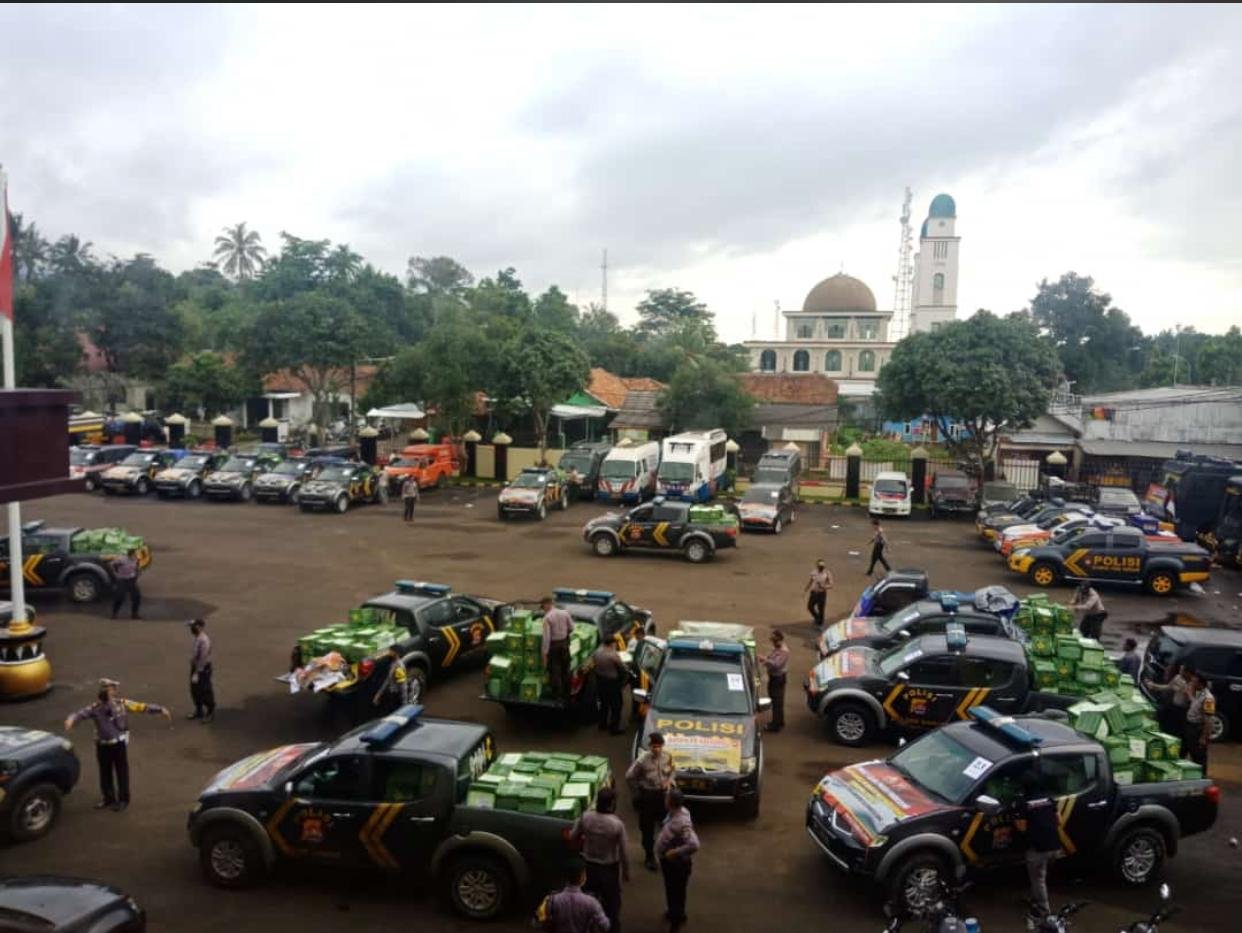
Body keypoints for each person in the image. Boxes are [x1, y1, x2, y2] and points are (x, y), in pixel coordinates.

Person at [64, 678, 171, 811]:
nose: (106, 692)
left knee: (121, 772)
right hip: (102, 744)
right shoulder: (95, 708)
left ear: (113, 691)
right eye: (105, 689)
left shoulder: (122, 704)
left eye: (109, 689)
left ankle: (123, 799)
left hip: (118, 744)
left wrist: (160, 709)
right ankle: (108, 798)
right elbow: (79, 714)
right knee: (104, 773)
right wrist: (71, 719)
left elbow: (141, 707)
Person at [571, 788, 629, 933]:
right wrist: (626, 872)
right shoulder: (617, 825)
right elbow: (624, 852)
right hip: (609, 869)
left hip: (589, 866)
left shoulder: (586, 818)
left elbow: (573, 836)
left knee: (585, 905)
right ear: (611, 804)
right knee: (612, 908)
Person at [1016, 769, 1061, 927]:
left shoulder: (1024, 803)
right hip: (1054, 846)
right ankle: (1036, 899)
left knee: (1038, 879)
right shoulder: (1049, 798)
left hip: (1037, 849)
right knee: (1041, 876)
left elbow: (1021, 828)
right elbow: (1058, 820)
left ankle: (1044, 911)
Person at [625, 732, 675, 871]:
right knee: (647, 829)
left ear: (663, 746)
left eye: (659, 746)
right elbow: (629, 777)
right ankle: (649, 856)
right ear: (649, 746)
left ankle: (665, 854)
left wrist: (668, 782)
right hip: (648, 796)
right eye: (654, 746)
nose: (656, 749)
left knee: (666, 826)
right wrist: (637, 794)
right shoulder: (642, 760)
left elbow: (672, 771)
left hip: (663, 796)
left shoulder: (668, 757)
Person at [655, 788, 699, 932]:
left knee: (676, 891)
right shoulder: (677, 813)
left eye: (667, 798)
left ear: (670, 803)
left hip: (677, 864)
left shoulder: (681, 821)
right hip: (670, 862)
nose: (664, 800)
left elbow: (694, 844)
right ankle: (675, 913)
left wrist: (676, 852)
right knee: (673, 890)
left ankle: (676, 921)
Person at [537, 857, 610, 933]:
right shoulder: (591, 902)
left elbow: (541, 920)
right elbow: (605, 925)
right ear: (583, 877)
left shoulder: (552, 900)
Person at [541, 596, 575, 704]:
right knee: (566, 668)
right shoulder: (565, 613)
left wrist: (544, 654)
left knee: (556, 671)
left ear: (547, 604)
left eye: (543, 607)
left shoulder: (547, 618)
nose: (543, 609)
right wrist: (565, 634)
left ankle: (558, 696)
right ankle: (568, 693)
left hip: (554, 646)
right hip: (564, 644)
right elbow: (572, 628)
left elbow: (546, 639)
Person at [1184, 668, 1216, 772]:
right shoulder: (1199, 693)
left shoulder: (1208, 699)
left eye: (1194, 682)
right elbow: (1194, 704)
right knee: (1188, 750)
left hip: (1197, 730)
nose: (1192, 683)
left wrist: (1203, 737)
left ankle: (1202, 777)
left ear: (1200, 683)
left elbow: (1208, 720)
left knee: (1199, 756)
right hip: (1190, 727)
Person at [593, 639, 627, 734]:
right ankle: (614, 728)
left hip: (600, 681)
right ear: (612, 643)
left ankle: (602, 724)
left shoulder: (597, 652)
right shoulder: (612, 655)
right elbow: (622, 667)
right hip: (612, 683)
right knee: (616, 705)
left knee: (604, 704)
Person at [1146, 663, 1190, 737]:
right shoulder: (1178, 678)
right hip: (1174, 705)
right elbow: (1168, 687)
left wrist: (1183, 690)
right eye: (1180, 669)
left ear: (1188, 673)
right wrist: (1155, 686)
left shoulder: (1192, 684)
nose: (1180, 672)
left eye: (1182, 670)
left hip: (1183, 710)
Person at [759, 629, 790, 733]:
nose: (773, 643)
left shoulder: (783, 651)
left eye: (774, 641)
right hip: (775, 677)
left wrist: (764, 660)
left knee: (776, 701)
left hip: (778, 678)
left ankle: (775, 725)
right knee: (777, 700)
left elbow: (776, 664)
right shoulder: (778, 648)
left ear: (779, 640)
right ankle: (780, 721)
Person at [186, 618, 215, 723]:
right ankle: (199, 711)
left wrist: (198, 672)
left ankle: (210, 712)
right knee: (195, 690)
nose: (191, 629)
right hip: (197, 668)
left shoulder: (204, 640)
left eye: (193, 627)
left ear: (199, 627)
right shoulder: (198, 638)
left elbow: (203, 658)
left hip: (202, 669)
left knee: (205, 690)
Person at [372, 645, 411, 713]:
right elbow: (388, 680)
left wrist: (405, 705)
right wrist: (378, 695)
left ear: (396, 653)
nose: (389, 652)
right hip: (390, 695)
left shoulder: (399, 666)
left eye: (391, 651)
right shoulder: (392, 663)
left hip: (395, 697)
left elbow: (403, 686)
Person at [109, 548, 142, 619]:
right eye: (134, 555)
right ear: (130, 555)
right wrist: (116, 574)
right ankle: (114, 613)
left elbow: (137, 567)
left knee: (136, 597)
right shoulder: (122, 560)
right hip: (122, 579)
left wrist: (137, 573)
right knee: (120, 597)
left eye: (136, 555)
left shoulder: (136, 559)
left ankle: (134, 614)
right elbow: (111, 565)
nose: (135, 556)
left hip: (131, 579)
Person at [803, 559, 833, 628]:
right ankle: (817, 618)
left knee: (821, 609)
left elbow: (831, 585)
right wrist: (805, 590)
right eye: (820, 566)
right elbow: (810, 581)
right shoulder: (813, 572)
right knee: (810, 607)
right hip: (814, 593)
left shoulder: (827, 573)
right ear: (817, 566)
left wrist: (824, 586)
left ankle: (820, 623)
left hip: (822, 593)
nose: (821, 567)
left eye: (822, 566)